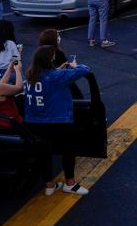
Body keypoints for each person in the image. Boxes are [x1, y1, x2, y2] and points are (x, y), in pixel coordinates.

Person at [24, 45, 92, 195]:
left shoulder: (30, 75)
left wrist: (59, 69)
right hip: (56, 122)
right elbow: (84, 69)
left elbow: (48, 79)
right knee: (69, 150)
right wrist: (74, 66)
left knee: (45, 152)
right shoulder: (57, 77)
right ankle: (70, 183)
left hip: (34, 123)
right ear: (49, 60)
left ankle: (49, 185)